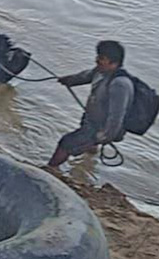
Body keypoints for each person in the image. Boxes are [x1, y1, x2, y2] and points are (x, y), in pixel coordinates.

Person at [46, 40, 135, 171]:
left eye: (102, 58)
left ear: (114, 63)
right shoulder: (101, 71)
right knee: (89, 142)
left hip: (101, 127)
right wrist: (68, 80)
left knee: (66, 143)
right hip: (91, 118)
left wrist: (104, 136)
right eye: (98, 56)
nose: (97, 60)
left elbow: (116, 116)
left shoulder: (119, 85)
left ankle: (50, 168)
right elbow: (86, 76)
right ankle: (88, 163)